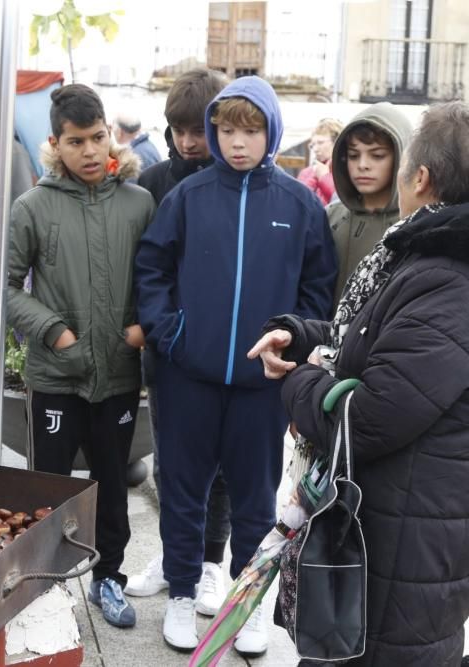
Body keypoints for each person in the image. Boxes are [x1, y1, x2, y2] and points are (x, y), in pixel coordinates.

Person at [249, 100, 469, 667]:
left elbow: (367, 418)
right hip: (393, 536)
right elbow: (371, 336)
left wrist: (299, 383)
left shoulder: (448, 278)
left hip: (404, 555)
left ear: (419, 178)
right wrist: (299, 335)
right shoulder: (427, 256)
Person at [135, 76, 337, 654]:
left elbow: (318, 288)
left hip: (261, 386)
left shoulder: (300, 204)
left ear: (271, 130)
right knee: (181, 490)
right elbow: (153, 267)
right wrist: (171, 333)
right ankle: (180, 593)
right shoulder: (189, 196)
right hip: (187, 379)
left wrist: (293, 347)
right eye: (225, 129)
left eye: (249, 129)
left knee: (256, 498)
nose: (236, 142)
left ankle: (248, 607)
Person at [7, 84, 155, 629]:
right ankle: (41, 587)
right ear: (55, 143)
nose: (90, 151)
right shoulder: (33, 205)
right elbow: (7, 285)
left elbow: (159, 277)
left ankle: (109, 580)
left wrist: (141, 327)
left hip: (117, 375)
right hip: (56, 376)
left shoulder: (138, 202)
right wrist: (53, 331)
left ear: (110, 135)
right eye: (76, 141)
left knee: (112, 486)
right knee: (48, 486)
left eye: (98, 137)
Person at [125, 67, 232, 617]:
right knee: (172, 463)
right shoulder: (154, 181)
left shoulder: (236, 181)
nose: (189, 142)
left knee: (220, 468)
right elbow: (147, 268)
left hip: (227, 355)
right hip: (168, 353)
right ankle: (174, 557)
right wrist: (159, 331)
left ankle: (212, 564)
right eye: (179, 130)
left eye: (198, 129)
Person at [326, 103, 412, 302]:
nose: (362, 165)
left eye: (377, 155)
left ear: (402, 157)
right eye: (353, 155)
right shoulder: (329, 217)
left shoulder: (416, 223)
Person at [297, 118, 343, 205]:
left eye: (320, 143)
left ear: (336, 142)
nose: (315, 149)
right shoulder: (306, 173)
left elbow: (343, 203)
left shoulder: (345, 170)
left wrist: (324, 177)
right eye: (313, 145)